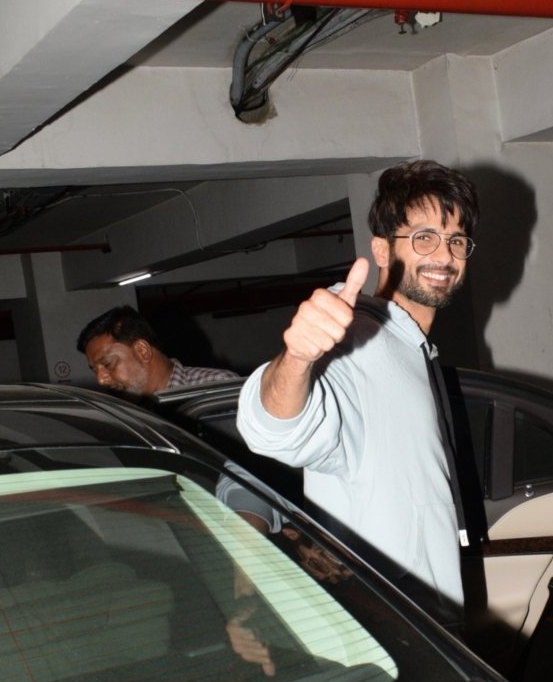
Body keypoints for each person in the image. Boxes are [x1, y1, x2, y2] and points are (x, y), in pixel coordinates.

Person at [236, 159, 479, 626]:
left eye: (456, 240)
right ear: (382, 251)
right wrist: (298, 358)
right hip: (383, 625)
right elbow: (273, 432)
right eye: (424, 237)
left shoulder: (412, 348)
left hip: (427, 622)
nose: (443, 256)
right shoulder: (357, 338)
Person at [76, 306, 238, 396]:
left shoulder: (216, 386)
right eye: (95, 370)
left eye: (107, 364)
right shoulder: (128, 413)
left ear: (142, 351)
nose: (101, 380)